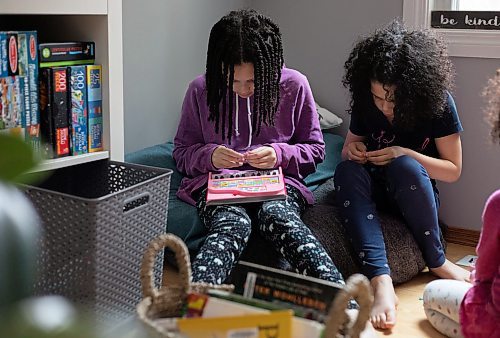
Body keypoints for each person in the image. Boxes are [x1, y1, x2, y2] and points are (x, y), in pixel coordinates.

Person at [173, 8, 349, 292]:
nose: (242, 90)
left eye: (253, 82)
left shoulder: (294, 85)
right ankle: (191, 308)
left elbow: (316, 150)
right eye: (232, 81)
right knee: (233, 224)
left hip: (279, 183)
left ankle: (345, 305)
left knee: (278, 216)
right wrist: (209, 156)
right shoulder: (200, 90)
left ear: (271, 69)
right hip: (218, 185)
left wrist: (279, 154)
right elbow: (182, 151)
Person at [334, 20, 471, 330]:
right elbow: (347, 149)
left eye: (392, 100)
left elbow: (453, 170)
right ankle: (381, 281)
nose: (384, 107)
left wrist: (404, 152)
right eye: (377, 98)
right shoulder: (367, 102)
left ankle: (436, 261)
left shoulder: (438, 103)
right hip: (371, 194)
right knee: (345, 170)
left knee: (404, 166)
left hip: (412, 191)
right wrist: (353, 152)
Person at [423, 69, 500, 338]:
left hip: (492, 322)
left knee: (431, 295)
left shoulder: (498, 204)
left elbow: (485, 271)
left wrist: (476, 273)